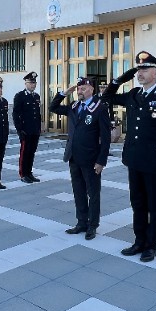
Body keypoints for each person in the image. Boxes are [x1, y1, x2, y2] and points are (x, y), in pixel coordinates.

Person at [101, 51, 156, 262]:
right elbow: (106, 97)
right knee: (137, 202)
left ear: (155, 72)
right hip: (134, 158)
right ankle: (139, 240)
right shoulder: (134, 94)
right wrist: (119, 80)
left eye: (144, 69)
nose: (140, 73)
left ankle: (151, 245)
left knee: (154, 205)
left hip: (155, 160)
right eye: (138, 70)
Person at [49, 77, 111, 240]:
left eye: (82, 88)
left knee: (93, 193)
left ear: (91, 89)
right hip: (74, 157)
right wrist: (63, 93)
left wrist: (101, 161)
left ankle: (92, 225)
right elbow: (53, 107)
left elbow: (105, 138)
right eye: (78, 89)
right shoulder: (74, 106)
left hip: (91, 159)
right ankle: (81, 222)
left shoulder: (99, 108)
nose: (79, 91)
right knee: (78, 192)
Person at [13, 71, 43, 183]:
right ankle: (23, 174)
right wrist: (20, 130)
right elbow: (16, 114)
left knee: (32, 152)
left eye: (34, 83)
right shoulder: (20, 96)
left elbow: (37, 114)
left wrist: (39, 127)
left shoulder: (36, 96)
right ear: (25, 83)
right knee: (25, 153)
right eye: (31, 83)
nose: (33, 85)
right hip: (25, 130)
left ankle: (29, 172)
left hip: (35, 130)